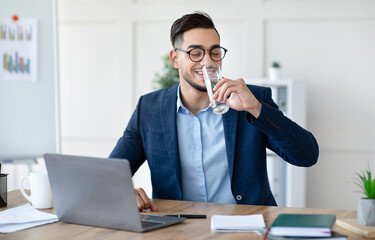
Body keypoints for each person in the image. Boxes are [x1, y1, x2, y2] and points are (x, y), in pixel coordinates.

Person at [109, 12, 319, 211]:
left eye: (214, 52)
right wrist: (126, 192)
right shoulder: (150, 108)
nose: (208, 61)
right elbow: (110, 174)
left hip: (246, 226)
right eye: (195, 53)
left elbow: (307, 155)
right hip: (177, 229)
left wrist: (256, 108)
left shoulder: (251, 100)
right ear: (175, 59)